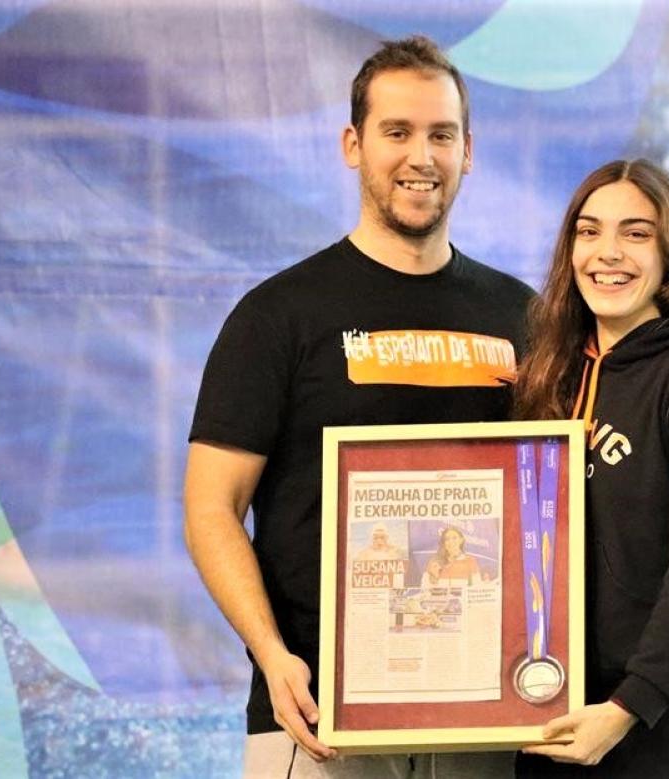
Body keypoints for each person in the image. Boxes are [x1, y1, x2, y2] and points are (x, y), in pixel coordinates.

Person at [183, 35, 534, 777]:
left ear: (468, 150)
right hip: (318, 713)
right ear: (354, 144)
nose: (421, 157)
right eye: (397, 132)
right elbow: (212, 506)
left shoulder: (522, 317)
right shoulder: (277, 316)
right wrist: (272, 655)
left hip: (486, 713)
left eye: (441, 134)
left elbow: (555, 505)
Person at [514, 159, 669, 777]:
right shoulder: (551, 376)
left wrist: (630, 705)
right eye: (589, 231)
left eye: (635, 233)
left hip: (656, 727)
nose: (608, 253)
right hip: (548, 719)